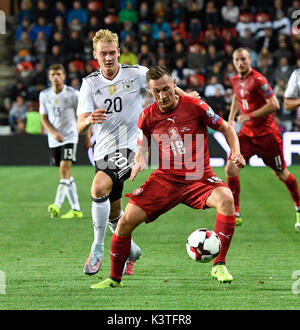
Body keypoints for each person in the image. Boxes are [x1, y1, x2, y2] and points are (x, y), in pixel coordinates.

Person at [90, 65, 246, 289]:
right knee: (124, 223)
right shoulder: (147, 117)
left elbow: (227, 129)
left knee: (226, 199)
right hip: (166, 179)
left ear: (174, 85)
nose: (162, 96)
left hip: (199, 177)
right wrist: (140, 161)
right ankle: (114, 279)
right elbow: (142, 146)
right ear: (150, 91)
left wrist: (236, 152)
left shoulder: (195, 107)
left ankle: (219, 264)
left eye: (165, 89)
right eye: (156, 92)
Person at [76, 29, 199, 277]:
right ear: (95, 55)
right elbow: (78, 125)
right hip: (103, 150)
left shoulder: (135, 74)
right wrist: (89, 119)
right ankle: (132, 251)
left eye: (112, 53)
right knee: (113, 214)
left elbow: (165, 84)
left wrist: (189, 99)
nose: (109, 58)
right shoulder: (90, 83)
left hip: (131, 145)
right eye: (104, 54)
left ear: (119, 52)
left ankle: (97, 247)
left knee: (98, 188)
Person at [225, 48, 300, 230]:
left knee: (281, 174)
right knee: (231, 169)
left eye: (243, 59)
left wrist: (249, 115)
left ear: (250, 60)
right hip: (247, 136)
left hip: (267, 136)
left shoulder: (258, 79)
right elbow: (237, 95)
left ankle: (299, 207)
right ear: (233, 62)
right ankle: (235, 214)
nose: (240, 63)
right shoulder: (235, 79)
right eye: (237, 60)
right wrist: (230, 118)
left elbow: (274, 104)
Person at [40, 63, 83, 220]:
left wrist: (87, 135)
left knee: (65, 169)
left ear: (64, 76)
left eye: (58, 74)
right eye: (53, 74)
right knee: (66, 173)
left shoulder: (73, 94)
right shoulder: (44, 95)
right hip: (54, 139)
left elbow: (82, 116)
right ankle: (76, 208)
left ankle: (57, 204)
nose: (56, 77)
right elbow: (43, 118)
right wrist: (53, 133)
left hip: (70, 137)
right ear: (49, 77)